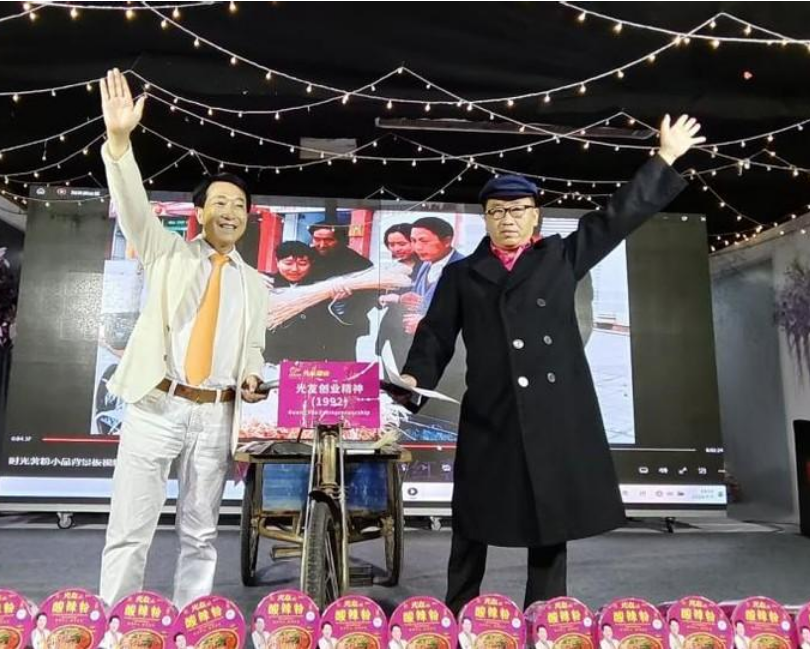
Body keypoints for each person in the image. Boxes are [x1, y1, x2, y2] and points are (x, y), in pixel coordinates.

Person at [398, 115, 704, 613]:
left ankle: (545, 616)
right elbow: (434, 337)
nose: (509, 219)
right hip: (490, 413)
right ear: (486, 218)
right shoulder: (462, 275)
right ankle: (458, 611)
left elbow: (617, 217)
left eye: (519, 210)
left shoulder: (561, 257)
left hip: (551, 412)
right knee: (472, 517)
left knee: (548, 518)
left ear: (535, 217)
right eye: (498, 211)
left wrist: (665, 157)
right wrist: (414, 378)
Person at [96, 69, 270, 609]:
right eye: (219, 203)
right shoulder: (166, 252)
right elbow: (132, 204)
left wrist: (252, 374)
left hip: (216, 415)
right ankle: (118, 625)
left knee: (200, 534)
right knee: (130, 529)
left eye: (239, 206)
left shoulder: (255, 283)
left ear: (248, 218)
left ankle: (191, 625)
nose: (230, 212)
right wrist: (119, 142)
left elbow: (254, 347)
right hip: (157, 405)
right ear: (200, 213)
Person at [305, 217, 376, 360]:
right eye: (317, 239)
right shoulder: (306, 257)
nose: (322, 245)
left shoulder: (360, 264)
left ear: (342, 240)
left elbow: (370, 296)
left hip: (344, 328)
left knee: (341, 366)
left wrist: (344, 306)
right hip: (309, 325)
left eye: (329, 240)